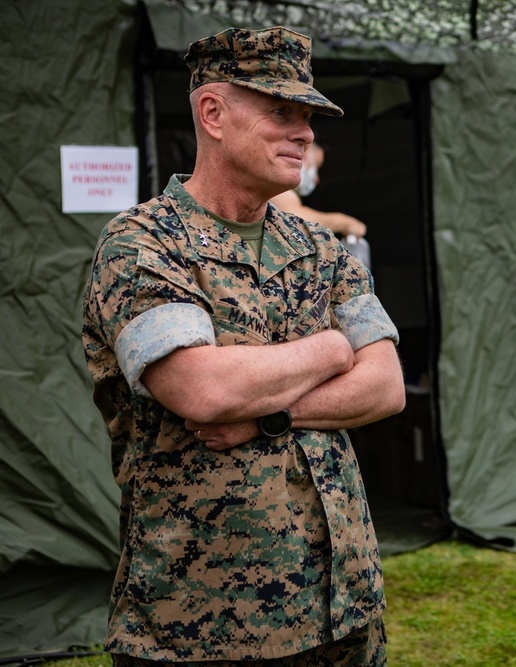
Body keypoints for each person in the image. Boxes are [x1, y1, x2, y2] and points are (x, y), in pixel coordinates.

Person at [81, 26, 405, 666]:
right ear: (213, 114)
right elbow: (204, 390)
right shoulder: (144, 245)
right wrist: (334, 351)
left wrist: (269, 414)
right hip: (202, 624)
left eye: (308, 116)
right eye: (281, 112)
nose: (305, 133)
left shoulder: (320, 248)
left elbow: (387, 385)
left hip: (342, 607)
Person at [270, 141, 368, 238]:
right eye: (316, 166)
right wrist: (345, 223)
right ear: (305, 152)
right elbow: (293, 218)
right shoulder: (275, 184)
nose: (316, 179)